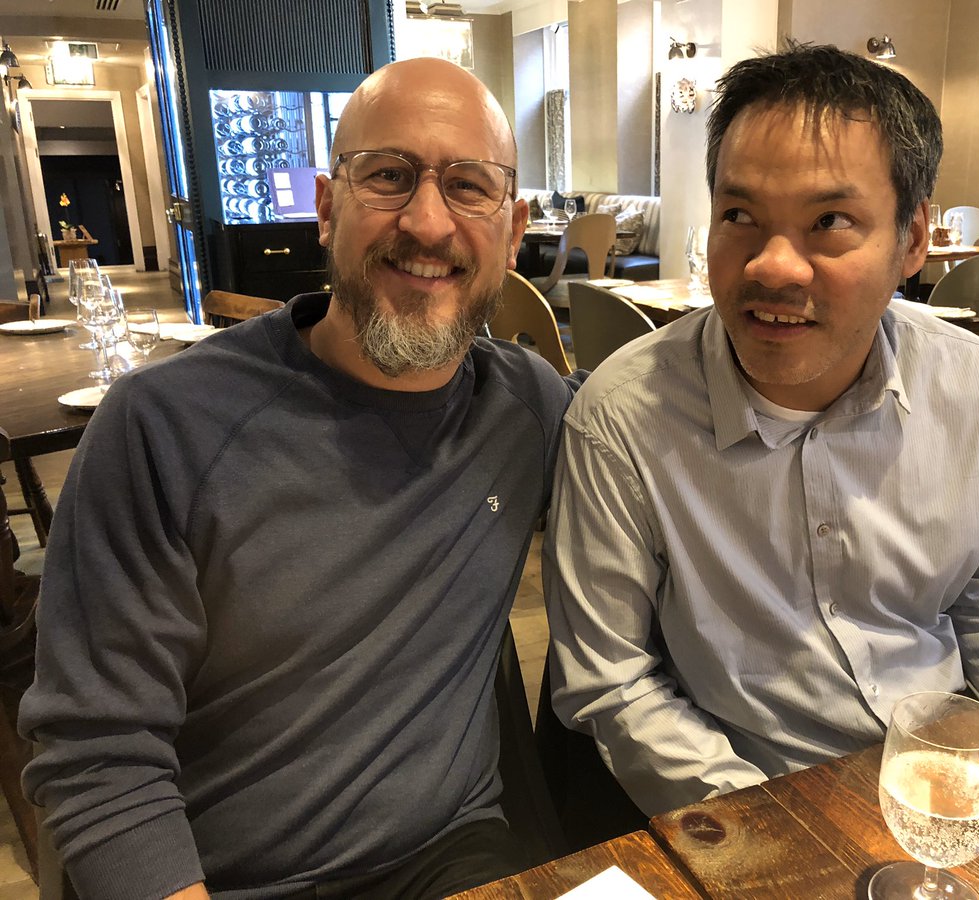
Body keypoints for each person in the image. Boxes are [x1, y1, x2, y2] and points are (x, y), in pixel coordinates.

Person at [21, 58, 578, 899]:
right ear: (326, 207)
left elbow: (670, 452)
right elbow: (98, 756)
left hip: (452, 856)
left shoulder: (526, 407)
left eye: (468, 186)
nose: (428, 222)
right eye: (388, 176)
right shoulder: (160, 428)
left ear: (513, 226)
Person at [543, 41, 979, 817]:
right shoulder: (623, 420)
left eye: (831, 221)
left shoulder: (977, 387)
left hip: (940, 776)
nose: (773, 266)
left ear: (913, 239)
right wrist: (778, 832)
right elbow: (612, 682)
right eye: (740, 215)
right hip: (748, 800)